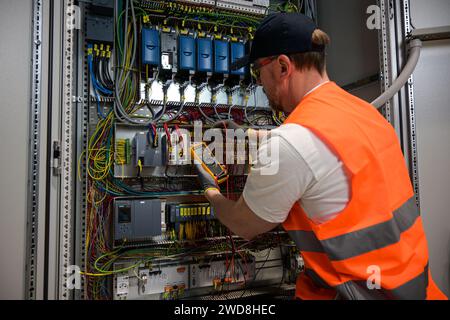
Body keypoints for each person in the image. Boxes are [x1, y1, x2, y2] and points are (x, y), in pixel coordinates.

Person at [194, 12, 447, 300]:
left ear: (282, 67)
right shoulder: (364, 113)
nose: (259, 84)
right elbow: (320, 150)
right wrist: (248, 136)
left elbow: (244, 224)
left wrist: (210, 190)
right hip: (416, 289)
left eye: (257, 72)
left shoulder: (290, 142)